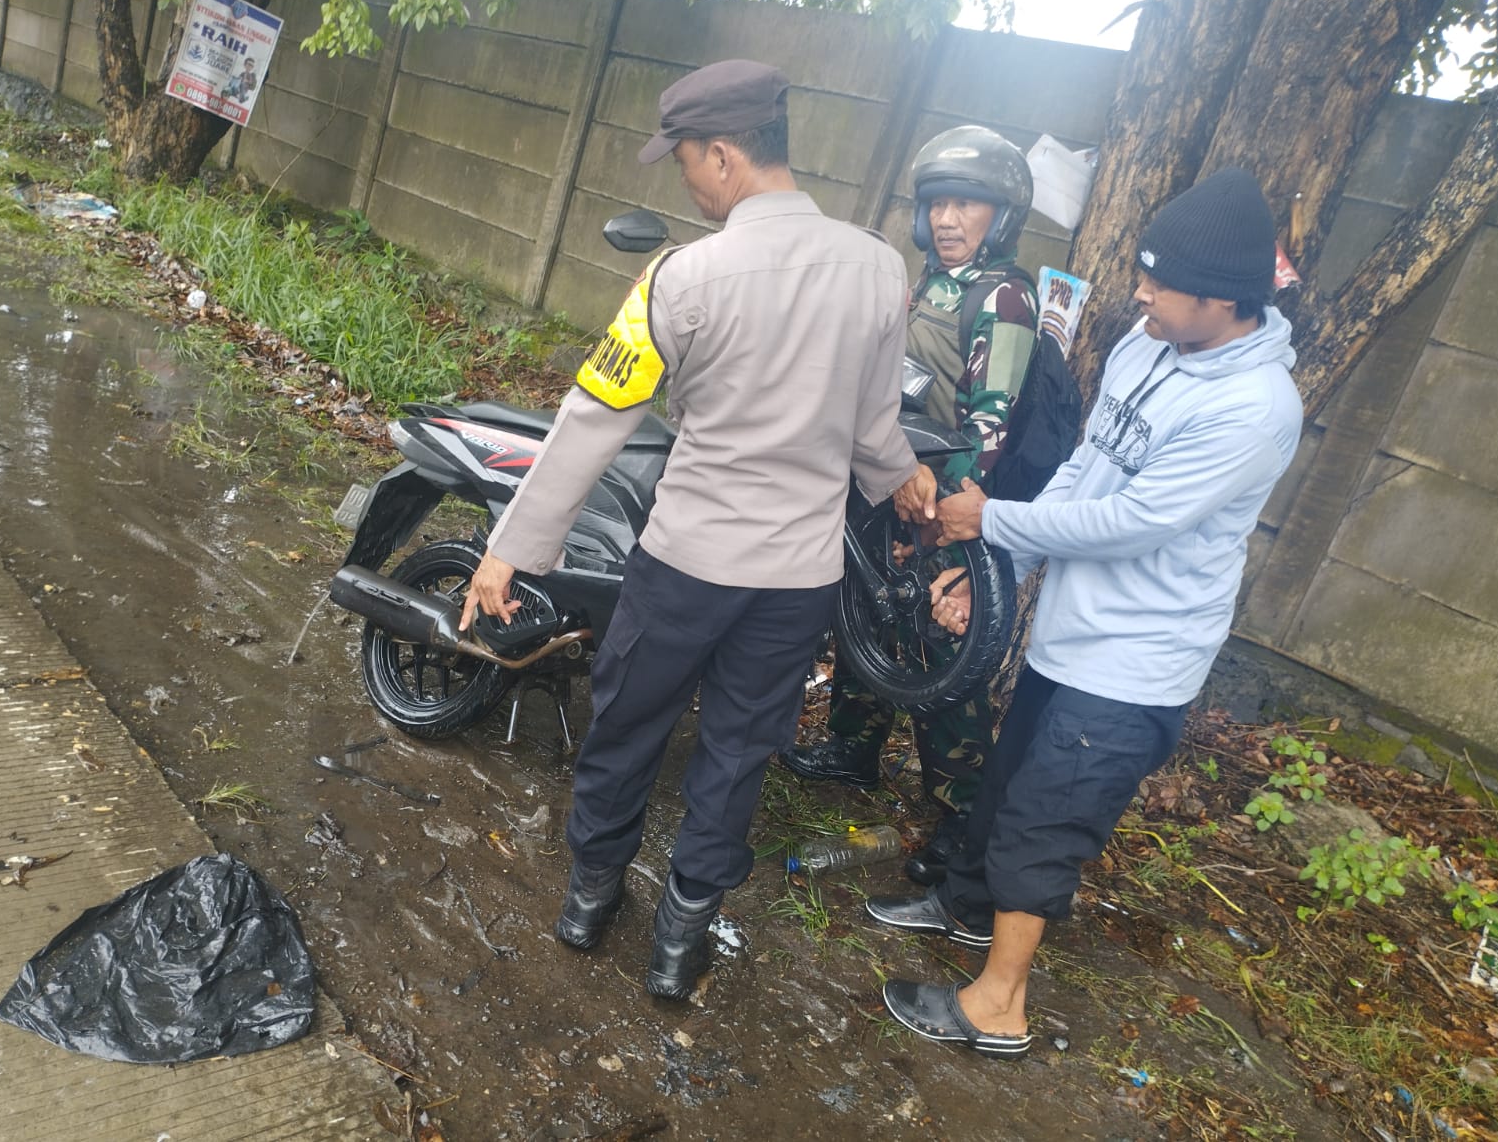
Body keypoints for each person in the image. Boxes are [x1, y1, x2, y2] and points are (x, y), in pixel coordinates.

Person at [457, 60, 934, 1001]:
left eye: (683, 163)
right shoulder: (882, 268)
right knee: (738, 754)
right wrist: (905, 482)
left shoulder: (680, 277)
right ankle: (679, 942)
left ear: (723, 155)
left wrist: (510, 549)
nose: (685, 183)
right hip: (797, 582)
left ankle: (590, 901)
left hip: (685, 566)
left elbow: (594, 417)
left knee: (628, 727)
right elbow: (875, 428)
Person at [867, 167, 1303, 1058]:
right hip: (1070, 635)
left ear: (1223, 301)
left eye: (1159, 282)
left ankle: (999, 1006)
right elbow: (1083, 472)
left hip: (1134, 662)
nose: (1138, 292)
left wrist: (990, 519)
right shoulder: (1148, 345)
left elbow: (1133, 522)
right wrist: (997, 572)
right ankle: (965, 908)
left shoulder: (1255, 408)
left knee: (1045, 820)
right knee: (1007, 784)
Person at [779, 125, 1039, 885]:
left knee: (941, 656)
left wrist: (939, 513)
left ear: (1002, 215)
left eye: (967, 205)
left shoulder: (1004, 297)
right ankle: (853, 748)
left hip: (943, 507)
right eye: (938, 204)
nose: (948, 220)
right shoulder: (928, 282)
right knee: (864, 618)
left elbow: (992, 425)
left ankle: (960, 816)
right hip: (889, 484)